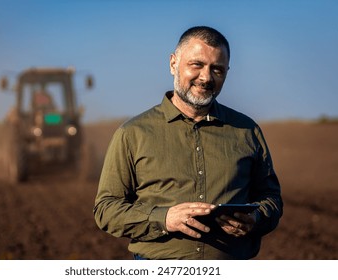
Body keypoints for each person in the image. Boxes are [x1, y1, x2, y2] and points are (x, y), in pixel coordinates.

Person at [93, 26, 283, 260]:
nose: (206, 77)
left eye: (217, 69)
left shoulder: (247, 131)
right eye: (197, 65)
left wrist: (255, 219)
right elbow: (106, 209)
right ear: (173, 63)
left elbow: (271, 199)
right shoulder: (132, 133)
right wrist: (164, 218)